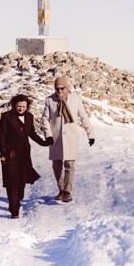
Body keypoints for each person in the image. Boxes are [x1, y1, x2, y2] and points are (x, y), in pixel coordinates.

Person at [42, 75, 96, 203]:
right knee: (56, 165)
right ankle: (60, 189)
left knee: (69, 165)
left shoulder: (76, 99)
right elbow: (44, 119)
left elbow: (84, 117)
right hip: (55, 138)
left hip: (71, 137)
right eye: (57, 89)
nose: (59, 91)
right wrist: (48, 135)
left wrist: (91, 134)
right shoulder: (50, 100)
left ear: (67, 87)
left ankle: (67, 191)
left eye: (62, 88)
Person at [0, 94, 50, 218]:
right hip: (10, 154)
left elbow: (31, 133)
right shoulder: (6, 116)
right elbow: (1, 135)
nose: (21, 109)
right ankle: (14, 209)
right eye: (19, 106)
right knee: (12, 181)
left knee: (22, 179)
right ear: (14, 105)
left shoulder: (29, 117)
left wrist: (43, 142)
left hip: (24, 153)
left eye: (23, 107)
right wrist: (4, 151)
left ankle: (18, 200)